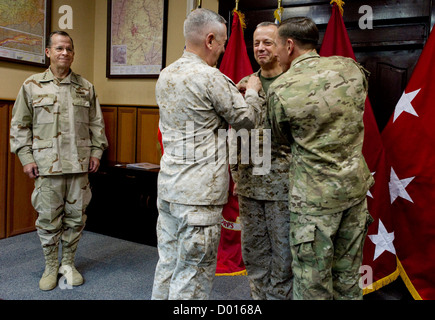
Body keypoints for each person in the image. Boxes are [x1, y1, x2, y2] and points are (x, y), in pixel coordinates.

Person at [152, 8, 264, 300]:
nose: (226, 49)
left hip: (169, 190)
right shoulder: (211, 78)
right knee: (193, 275)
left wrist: (231, 91)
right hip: (199, 199)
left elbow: (201, 111)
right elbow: (247, 119)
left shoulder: (166, 74)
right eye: (223, 42)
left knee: (168, 264)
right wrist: (251, 90)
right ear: (210, 40)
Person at [266, 17, 374, 300]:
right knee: (349, 279)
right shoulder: (350, 68)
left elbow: (281, 139)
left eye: (276, 45)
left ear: (290, 45)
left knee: (312, 284)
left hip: (314, 204)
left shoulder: (282, 88)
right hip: (354, 193)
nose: (275, 52)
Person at [10, 31, 108, 291]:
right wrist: (26, 157)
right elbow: (20, 126)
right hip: (47, 166)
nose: (64, 53)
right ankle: (51, 266)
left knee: (76, 218)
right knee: (48, 219)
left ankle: (69, 263)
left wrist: (96, 153)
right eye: (59, 48)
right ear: (48, 52)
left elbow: (97, 125)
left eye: (69, 49)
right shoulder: (31, 86)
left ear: (73, 53)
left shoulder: (86, 87)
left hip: (79, 165)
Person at [232, 22, 293, 300]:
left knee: (283, 255)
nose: (260, 48)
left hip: (283, 185)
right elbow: (235, 134)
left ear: (283, 45)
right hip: (249, 183)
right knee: (254, 253)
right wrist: (235, 174)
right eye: (256, 43)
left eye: (268, 42)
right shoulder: (245, 85)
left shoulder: (295, 83)